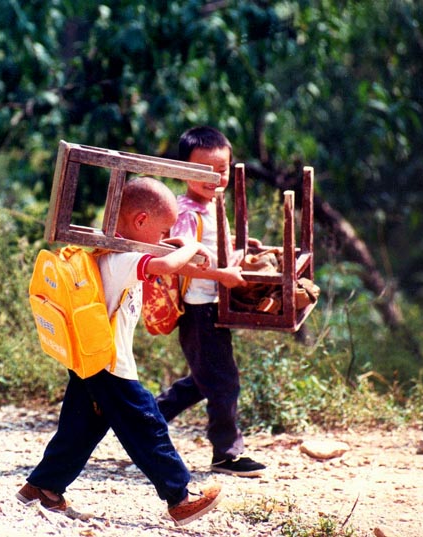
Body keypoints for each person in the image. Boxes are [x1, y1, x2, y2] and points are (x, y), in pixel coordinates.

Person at [17, 176, 223, 527]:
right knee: (147, 425)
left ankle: (42, 487)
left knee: (79, 428)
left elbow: (164, 257)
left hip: (91, 360)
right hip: (112, 366)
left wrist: (173, 245)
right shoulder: (126, 257)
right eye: (162, 232)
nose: (162, 240)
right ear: (141, 222)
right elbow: (169, 266)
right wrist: (190, 244)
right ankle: (180, 497)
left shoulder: (110, 251)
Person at [155, 126, 266, 477]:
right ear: (184, 168)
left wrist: (242, 248)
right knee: (223, 381)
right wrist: (221, 276)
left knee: (205, 378)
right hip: (198, 306)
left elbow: (214, 244)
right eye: (204, 170)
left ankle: (141, 419)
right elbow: (183, 260)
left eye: (222, 170)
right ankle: (226, 454)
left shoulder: (211, 203)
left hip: (213, 304)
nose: (215, 178)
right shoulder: (186, 211)